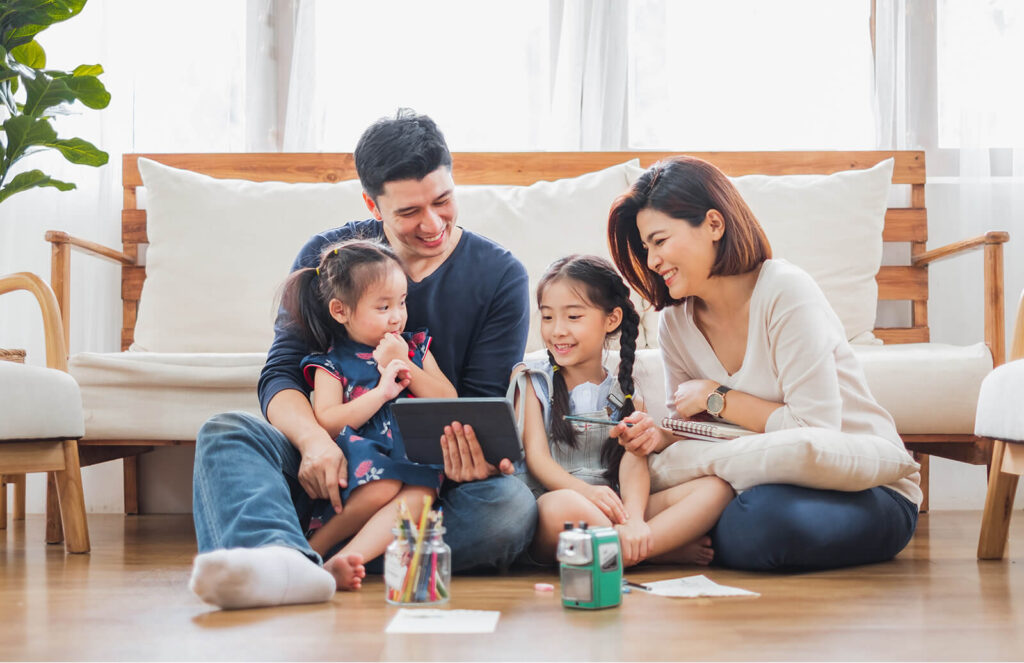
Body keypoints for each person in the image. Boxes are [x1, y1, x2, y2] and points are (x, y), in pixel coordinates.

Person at [189, 110, 537, 610]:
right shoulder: (330, 257)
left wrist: (467, 460)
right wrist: (313, 443)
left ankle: (292, 555)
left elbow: (479, 405)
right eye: (409, 211)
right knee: (226, 433)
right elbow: (282, 372)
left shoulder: (499, 275)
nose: (433, 223)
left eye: (443, 201)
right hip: (332, 466)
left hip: (425, 482)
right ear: (372, 204)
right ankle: (290, 559)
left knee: (509, 509)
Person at [606, 156, 922, 571]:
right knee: (741, 514)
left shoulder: (785, 292)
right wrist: (661, 436)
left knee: (756, 525)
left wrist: (718, 398)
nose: (651, 261)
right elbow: (697, 434)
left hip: (865, 489)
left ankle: (671, 537)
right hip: (755, 484)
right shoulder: (674, 324)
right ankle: (670, 536)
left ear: (714, 225)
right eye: (646, 248)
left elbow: (814, 433)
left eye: (660, 241)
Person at [512, 255, 734, 567]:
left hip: (611, 506)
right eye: (548, 318)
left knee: (715, 488)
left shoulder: (625, 388)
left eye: (573, 317)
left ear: (611, 320)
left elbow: (634, 462)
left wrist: (633, 518)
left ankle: (629, 543)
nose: (557, 331)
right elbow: (537, 459)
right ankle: (657, 551)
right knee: (561, 507)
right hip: (558, 506)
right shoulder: (532, 378)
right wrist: (585, 494)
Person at [279, 239, 455, 590]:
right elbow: (327, 421)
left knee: (420, 498)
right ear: (340, 311)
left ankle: (345, 560)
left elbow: (448, 399)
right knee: (383, 485)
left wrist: (403, 362)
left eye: (402, 302)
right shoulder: (332, 362)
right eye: (383, 306)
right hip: (364, 457)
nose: (397, 316)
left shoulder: (415, 347)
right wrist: (381, 394)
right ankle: (314, 548)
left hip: (416, 458)